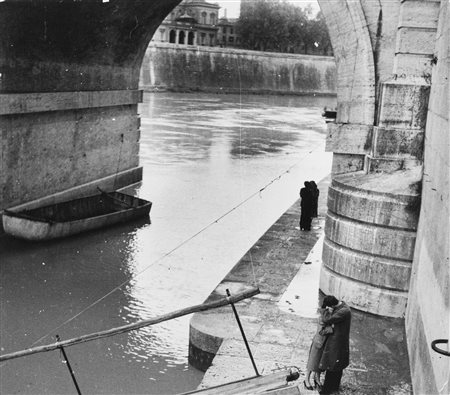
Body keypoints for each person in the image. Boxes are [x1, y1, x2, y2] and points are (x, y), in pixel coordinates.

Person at [318, 295, 352, 394]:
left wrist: (325, 311)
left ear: (332, 305)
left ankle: (327, 390)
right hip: (339, 341)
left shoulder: (343, 312)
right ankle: (334, 388)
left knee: (332, 366)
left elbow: (326, 320)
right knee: (337, 366)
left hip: (337, 342)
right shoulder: (342, 307)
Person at [304, 303, 334, 391]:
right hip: (318, 342)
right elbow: (321, 331)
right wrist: (331, 328)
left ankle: (317, 378)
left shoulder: (330, 316)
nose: (333, 309)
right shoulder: (322, 317)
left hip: (325, 343)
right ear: (327, 307)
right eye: (331, 307)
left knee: (320, 362)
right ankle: (306, 380)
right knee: (312, 362)